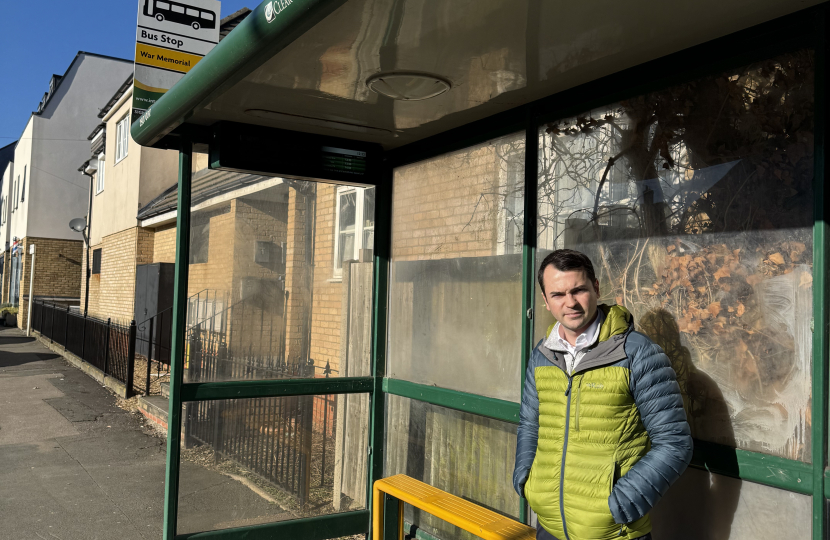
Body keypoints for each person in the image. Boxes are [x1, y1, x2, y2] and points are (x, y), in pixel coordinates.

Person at [513, 249, 693, 540]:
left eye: (579, 290)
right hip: (550, 528)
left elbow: (674, 443)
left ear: (595, 288)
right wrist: (526, 481)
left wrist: (622, 503)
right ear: (545, 301)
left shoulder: (636, 353)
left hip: (614, 532)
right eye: (558, 294)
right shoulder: (542, 355)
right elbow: (530, 424)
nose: (570, 302)